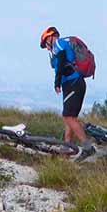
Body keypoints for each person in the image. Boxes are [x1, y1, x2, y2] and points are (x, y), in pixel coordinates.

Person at [41, 26, 95, 161]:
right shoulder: (62, 44)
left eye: (45, 44)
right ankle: (66, 150)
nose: (47, 47)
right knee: (69, 119)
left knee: (67, 117)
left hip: (73, 83)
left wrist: (57, 82)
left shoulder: (59, 43)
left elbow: (60, 61)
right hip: (74, 84)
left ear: (50, 37)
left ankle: (88, 147)